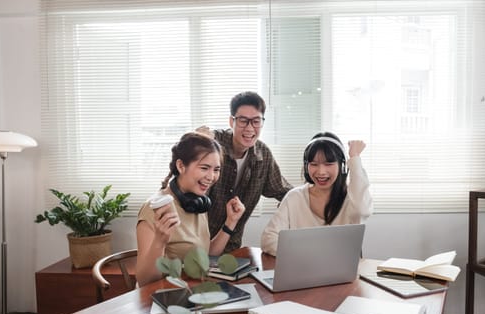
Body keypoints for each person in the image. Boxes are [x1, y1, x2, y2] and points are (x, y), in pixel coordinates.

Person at [136, 132, 246, 286]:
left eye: (216, 169)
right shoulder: (154, 208)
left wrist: (230, 222)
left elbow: (205, 256)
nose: (211, 176)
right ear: (181, 166)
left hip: (191, 289)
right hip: (161, 296)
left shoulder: (197, 201)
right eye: (205, 168)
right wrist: (159, 241)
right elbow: (144, 280)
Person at [197, 91, 293, 253]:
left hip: (231, 249)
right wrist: (199, 138)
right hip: (196, 245)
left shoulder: (263, 155)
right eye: (243, 121)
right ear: (231, 121)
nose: (249, 128)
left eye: (256, 121)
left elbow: (285, 192)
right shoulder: (212, 145)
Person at [261, 132, 372, 256]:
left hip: (342, 273)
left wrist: (355, 158)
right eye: (314, 164)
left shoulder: (352, 198)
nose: (321, 172)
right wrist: (304, 254)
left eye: (328, 164)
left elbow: (362, 211)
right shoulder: (294, 197)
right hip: (303, 269)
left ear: (342, 166)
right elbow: (268, 239)